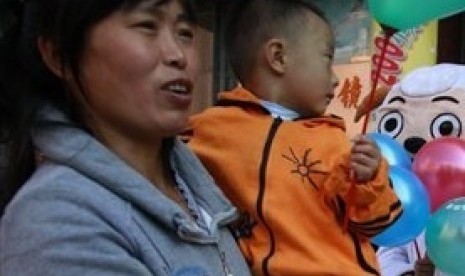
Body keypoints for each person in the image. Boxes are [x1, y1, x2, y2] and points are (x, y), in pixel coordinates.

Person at [0, 0, 250, 275]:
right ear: (58, 55)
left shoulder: (201, 195)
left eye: (184, 32)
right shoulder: (58, 221)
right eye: (147, 26)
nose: (178, 54)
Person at [185, 0, 402, 275]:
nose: (335, 80)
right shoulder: (210, 130)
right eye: (327, 59)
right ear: (278, 57)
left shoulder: (334, 143)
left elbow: (377, 224)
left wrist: (369, 179)